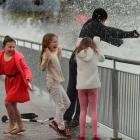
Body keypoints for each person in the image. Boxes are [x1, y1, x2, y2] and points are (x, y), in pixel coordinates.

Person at [64, 7, 140, 127]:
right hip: (83, 62)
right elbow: (110, 31)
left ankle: (67, 117)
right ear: (102, 18)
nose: (104, 23)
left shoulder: (88, 24)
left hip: (74, 58)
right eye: (104, 21)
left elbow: (104, 35)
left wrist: (118, 42)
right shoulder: (95, 25)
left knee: (72, 88)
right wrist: (130, 34)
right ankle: (76, 119)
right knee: (81, 90)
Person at [39, 33, 71, 137]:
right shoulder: (46, 53)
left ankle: (55, 122)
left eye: (57, 41)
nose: (56, 43)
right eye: (54, 42)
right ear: (47, 43)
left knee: (67, 103)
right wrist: (47, 57)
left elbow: (57, 63)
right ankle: (61, 127)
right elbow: (42, 68)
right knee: (60, 105)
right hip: (52, 83)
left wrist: (59, 53)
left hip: (57, 82)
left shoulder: (54, 51)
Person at [0, 35, 32, 134]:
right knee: (13, 105)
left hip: (18, 81)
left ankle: (12, 124)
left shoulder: (17, 57)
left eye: (14, 47)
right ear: (4, 47)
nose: (12, 49)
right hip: (9, 81)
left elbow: (25, 68)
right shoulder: (1, 55)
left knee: (7, 102)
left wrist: (28, 77)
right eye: (9, 47)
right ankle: (21, 126)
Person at [76, 37, 104, 140]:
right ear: (92, 44)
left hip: (81, 86)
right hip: (93, 86)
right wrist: (97, 44)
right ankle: (94, 136)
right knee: (93, 111)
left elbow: (77, 44)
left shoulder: (78, 54)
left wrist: (79, 41)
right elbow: (102, 58)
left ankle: (82, 135)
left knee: (82, 110)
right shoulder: (95, 53)